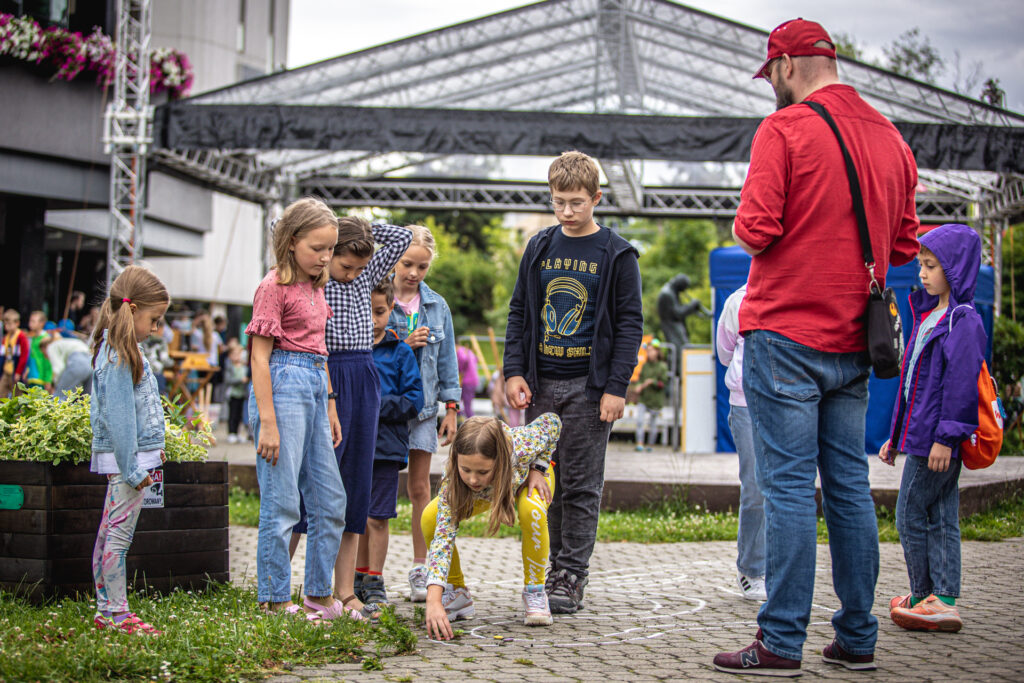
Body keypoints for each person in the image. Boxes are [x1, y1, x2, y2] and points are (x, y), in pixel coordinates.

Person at [712, 18, 920, 676]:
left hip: (785, 337)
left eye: (771, 72)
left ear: (789, 66)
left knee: (790, 492)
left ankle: (779, 641)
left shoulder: (784, 128)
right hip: (856, 341)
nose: (770, 84)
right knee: (851, 490)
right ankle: (857, 637)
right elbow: (906, 246)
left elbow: (755, 229)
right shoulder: (892, 137)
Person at [503, 150, 644, 614]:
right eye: (559, 201)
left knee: (582, 485)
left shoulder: (617, 254)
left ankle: (571, 575)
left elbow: (629, 325)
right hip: (542, 385)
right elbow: (520, 310)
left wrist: (616, 387)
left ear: (596, 198)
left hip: (590, 387)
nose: (567, 210)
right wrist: (514, 370)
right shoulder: (539, 247)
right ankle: (548, 569)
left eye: (577, 202)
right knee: (542, 481)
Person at [290, 214, 411, 620]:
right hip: (325, 370)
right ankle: (283, 585)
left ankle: (344, 590)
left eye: (359, 267)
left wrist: (360, 231)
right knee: (315, 483)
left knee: (356, 483)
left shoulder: (365, 274)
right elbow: (284, 225)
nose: (352, 273)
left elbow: (402, 236)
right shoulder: (315, 275)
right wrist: (330, 230)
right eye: (344, 264)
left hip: (363, 374)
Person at [245, 197, 348, 621]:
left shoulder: (316, 286)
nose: (325, 257)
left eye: (330, 249)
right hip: (281, 386)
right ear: (290, 242)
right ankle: (273, 597)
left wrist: (329, 406)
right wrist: (267, 420)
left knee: (330, 500)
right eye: (317, 248)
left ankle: (319, 593)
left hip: (313, 384)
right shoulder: (273, 286)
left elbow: (319, 352)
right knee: (283, 500)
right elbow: (258, 358)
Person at [880, 224, 987, 634]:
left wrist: (946, 437)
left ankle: (928, 595)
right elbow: (915, 386)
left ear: (955, 269)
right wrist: (896, 437)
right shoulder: (930, 315)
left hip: (937, 442)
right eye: (921, 265)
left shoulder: (963, 320)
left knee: (909, 514)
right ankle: (939, 598)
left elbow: (960, 384)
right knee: (941, 516)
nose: (922, 274)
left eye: (931, 266)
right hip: (923, 438)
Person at [423, 413, 562, 639]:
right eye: (465, 469)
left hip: (528, 479)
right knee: (430, 516)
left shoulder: (521, 445)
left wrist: (539, 468)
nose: (473, 479)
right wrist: (434, 599)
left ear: (501, 459)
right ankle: (457, 592)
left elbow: (552, 422)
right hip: (490, 492)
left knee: (532, 510)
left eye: (482, 471)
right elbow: (442, 541)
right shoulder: (454, 484)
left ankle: (535, 591)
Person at [89, 265, 170, 634]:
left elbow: (138, 416)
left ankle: (107, 607)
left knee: (109, 532)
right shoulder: (121, 356)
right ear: (133, 309)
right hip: (130, 465)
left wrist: (155, 450)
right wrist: (136, 470)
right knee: (118, 538)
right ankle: (116, 613)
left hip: (134, 459)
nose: (157, 328)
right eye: (154, 319)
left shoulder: (120, 351)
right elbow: (122, 423)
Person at [388, 225, 461, 603]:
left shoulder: (437, 306)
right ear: (394, 261)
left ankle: (422, 567)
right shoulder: (377, 299)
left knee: (420, 489)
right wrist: (400, 340)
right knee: (377, 490)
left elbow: (448, 363)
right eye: (407, 264)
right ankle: (366, 573)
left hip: (424, 410)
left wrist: (451, 409)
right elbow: (362, 345)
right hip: (385, 411)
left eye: (422, 267)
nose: (414, 273)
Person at [355, 279, 423, 610]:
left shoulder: (400, 352)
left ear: (391, 308)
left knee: (377, 517)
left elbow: (415, 400)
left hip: (385, 448)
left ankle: (375, 579)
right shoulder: (348, 350)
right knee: (351, 515)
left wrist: (373, 405)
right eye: (364, 312)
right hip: (351, 447)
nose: (372, 320)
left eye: (379, 312)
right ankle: (353, 578)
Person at [715, 284, 767, 602]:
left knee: (789, 487)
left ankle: (781, 566)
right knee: (756, 487)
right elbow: (725, 352)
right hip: (746, 402)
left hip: (792, 401)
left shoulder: (795, 288)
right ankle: (752, 569)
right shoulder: (738, 299)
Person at [629, 340, 668, 451]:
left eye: (651, 351)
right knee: (640, 421)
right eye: (648, 351)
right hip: (644, 398)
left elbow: (663, 383)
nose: (649, 353)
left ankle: (650, 445)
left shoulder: (662, 366)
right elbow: (641, 379)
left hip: (655, 401)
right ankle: (640, 443)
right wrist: (639, 386)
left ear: (657, 351)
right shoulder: (645, 366)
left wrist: (652, 382)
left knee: (653, 425)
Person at [44, 332, 93, 400]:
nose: (45, 357)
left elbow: (58, 369)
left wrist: (56, 386)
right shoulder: (66, 342)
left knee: (60, 398)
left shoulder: (51, 346)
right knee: (85, 400)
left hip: (77, 363)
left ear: (44, 348)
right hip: (91, 363)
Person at [224, 344, 250, 443]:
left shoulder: (243, 367)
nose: (237, 357)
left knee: (239, 415)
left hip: (241, 394)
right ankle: (231, 432)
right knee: (232, 414)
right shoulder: (230, 367)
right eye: (234, 355)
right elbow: (228, 380)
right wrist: (240, 380)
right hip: (232, 394)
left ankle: (237, 433)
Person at [1, 309, 29, 398]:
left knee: (17, 397)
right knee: (1, 394)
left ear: (17, 323)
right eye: (5, 324)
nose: (7, 327)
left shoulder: (21, 337)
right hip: (6, 371)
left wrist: (18, 372)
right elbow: (2, 355)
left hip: (16, 372)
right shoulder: (6, 338)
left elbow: (24, 357)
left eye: (9, 324)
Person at [25, 311, 54, 391]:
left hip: (41, 378)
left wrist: (48, 380)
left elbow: (48, 361)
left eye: (33, 321)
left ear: (41, 323)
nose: (30, 323)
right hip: (32, 377)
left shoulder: (45, 338)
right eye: (30, 321)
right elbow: (31, 356)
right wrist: (27, 370)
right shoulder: (33, 338)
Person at [142, 319, 172, 395]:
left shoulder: (144, 339)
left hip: (144, 372)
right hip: (157, 372)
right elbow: (164, 359)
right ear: (160, 329)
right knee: (162, 395)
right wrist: (173, 363)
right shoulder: (161, 341)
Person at [456, 343, 479, 418]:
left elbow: (462, 362)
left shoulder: (460, 351)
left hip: (467, 381)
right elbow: (476, 359)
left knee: (466, 405)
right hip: (473, 380)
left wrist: (459, 370)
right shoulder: (468, 351)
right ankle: (458, 414)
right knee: (458, 400)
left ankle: (472, 423)